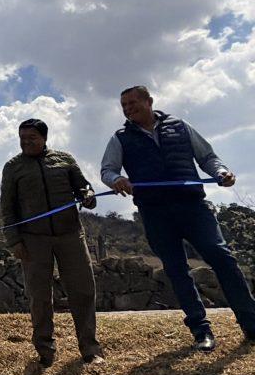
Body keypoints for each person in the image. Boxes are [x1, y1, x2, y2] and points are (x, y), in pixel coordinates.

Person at [101, 85, 255, 351]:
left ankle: (251, 324)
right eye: (123, 105)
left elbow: (207, 157)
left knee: (222, 258)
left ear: (149, 101)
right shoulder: (120, 138)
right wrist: (118, 180)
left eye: (132, 103)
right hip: (154, 212)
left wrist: (222, 172)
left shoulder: (180, 126)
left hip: (193, 206)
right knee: (176, 270)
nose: (127, 109)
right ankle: (201, 331)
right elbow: (107, 170)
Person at [0, 118, 104, 368]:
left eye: (32, 138)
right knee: (39, 295)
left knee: (83, 290)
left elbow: (83, 188)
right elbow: (7, 207)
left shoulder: (65, 159)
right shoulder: (13, 167)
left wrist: (88, 197)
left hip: (70, 235)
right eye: (22, 138)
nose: (26, 142)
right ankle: (45, 350)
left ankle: (90, 348)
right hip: (32, 240)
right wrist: (14, 240)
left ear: (45, 138)